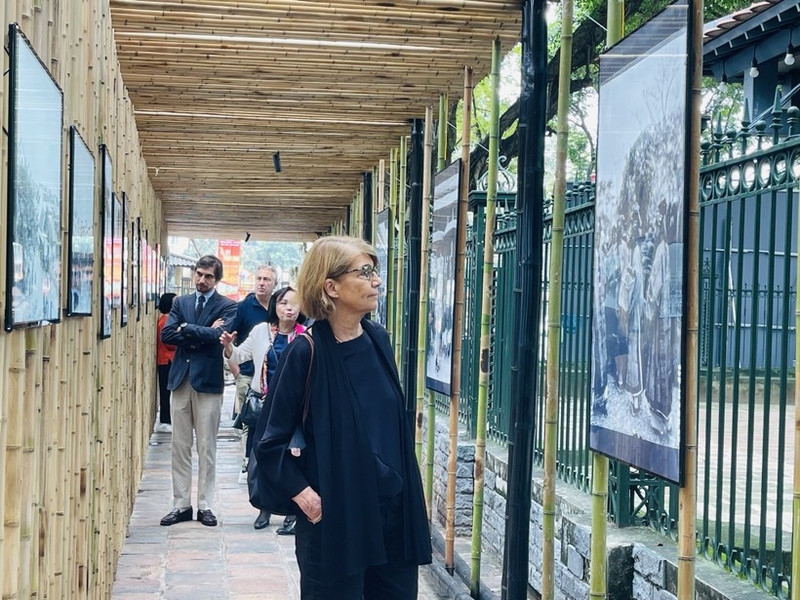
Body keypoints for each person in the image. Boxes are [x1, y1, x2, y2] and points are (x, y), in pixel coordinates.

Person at [256, 236, 431, 599]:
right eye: (365, 272)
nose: (376, 281)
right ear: (331, 286)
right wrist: (307, 499)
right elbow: (269, 442)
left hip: (392, 519)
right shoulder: (306, 352)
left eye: (375, 272)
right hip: (337, 521)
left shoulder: (377, 338)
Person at [159, 255, 237, 527]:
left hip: (208, 384)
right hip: (181, 380)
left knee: (207, 446)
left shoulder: (228, 306)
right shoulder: (180, 303)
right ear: (194, 274)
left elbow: (220, 337)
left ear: (217, 279)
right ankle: (181, 504)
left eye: (208, 276)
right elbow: (166, 335)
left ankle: (205, 505)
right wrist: (202, 331)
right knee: (179, 446)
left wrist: (187, 329)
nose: (202, 280)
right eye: (199, 274)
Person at [221, 285, 306, 531]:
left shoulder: (305, 335)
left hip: (292, 408)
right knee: (261, 458)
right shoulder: (261, 332)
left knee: (292, 459)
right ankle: (264, 508)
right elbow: (237, 356)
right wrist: (227, 346)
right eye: (283, 303)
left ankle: (292, 512)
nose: (288, 307)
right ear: (274, 307)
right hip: (263, 405)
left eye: (294, 303)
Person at [230, 265, 277, 482]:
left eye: (266, 279)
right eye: (259, 278)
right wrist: (237, 372)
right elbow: (232, 339)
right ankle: (247, 462)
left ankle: (266, 464)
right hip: (248, 375)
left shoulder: (279, 307)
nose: (261, 283)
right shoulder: (244, 307)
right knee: (250, 419)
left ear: (274, 284)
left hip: (273, 380)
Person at [156, 293, 177, 432]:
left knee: (167, 391)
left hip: (168, 359)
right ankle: (165, 420)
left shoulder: (167, 319)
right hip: (166, 359)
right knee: (166, 392)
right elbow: (169, 341)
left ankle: (167, 419)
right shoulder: (165, 320)